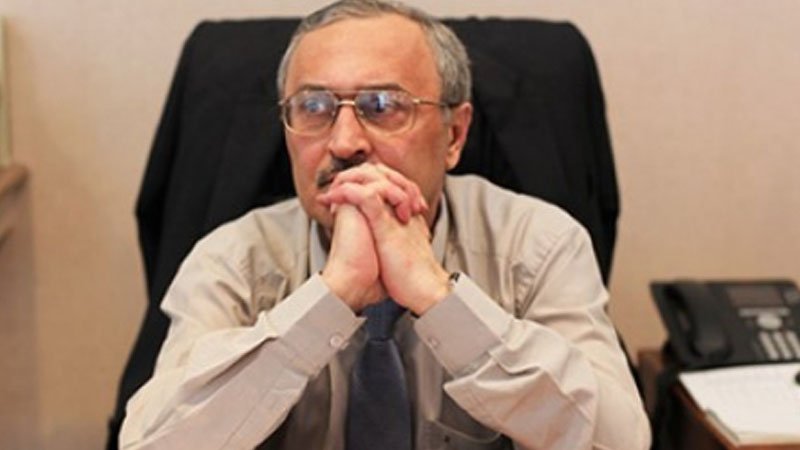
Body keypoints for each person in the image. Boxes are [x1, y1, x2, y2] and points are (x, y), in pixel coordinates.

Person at [119, 1, 650, 449]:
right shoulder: (233, 260)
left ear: (455, 135)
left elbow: (622, 440)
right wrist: (333, 295)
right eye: (314, 107)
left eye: (382, 105)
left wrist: (440, 298)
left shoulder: (538, 244)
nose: (345, 141)